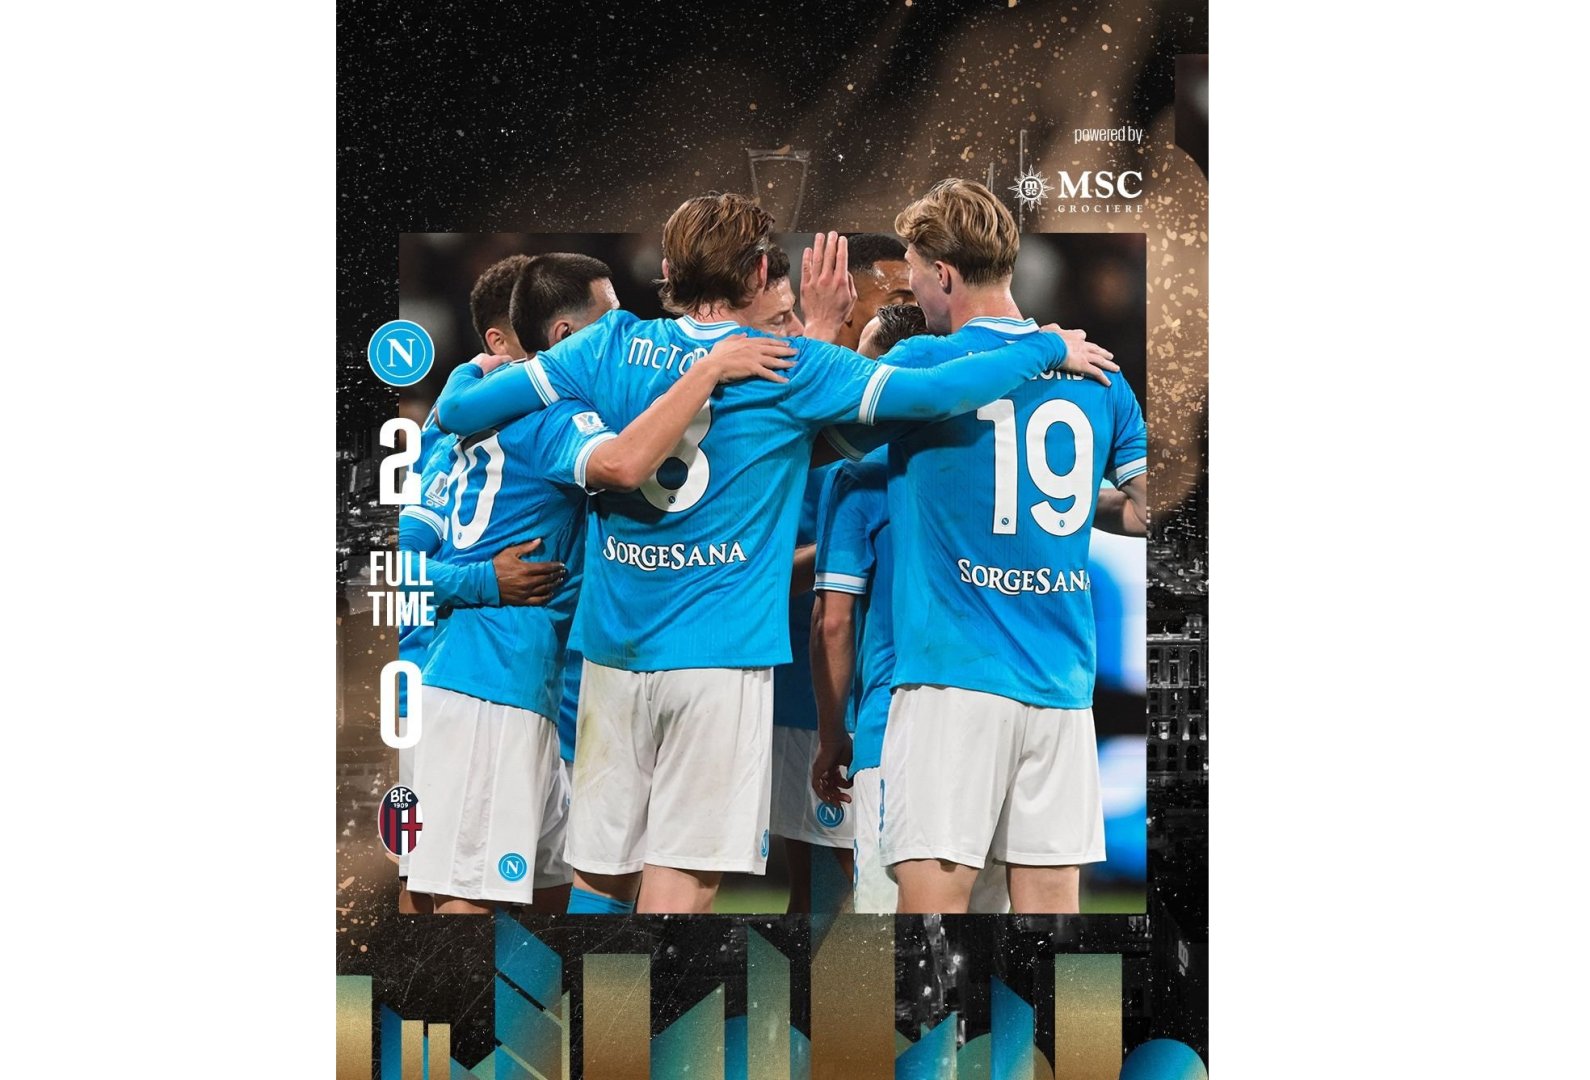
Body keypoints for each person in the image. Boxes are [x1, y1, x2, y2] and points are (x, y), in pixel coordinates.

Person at [433, 191, 1116, 914]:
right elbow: (937, 392)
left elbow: (459, 412)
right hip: (718, 661)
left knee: (601, 877)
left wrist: (470, 371)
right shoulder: (790, 368)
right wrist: (1045, 346)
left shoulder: (606, 344)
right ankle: (651, 995)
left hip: (611, 656)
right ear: (761, 272)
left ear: (670, 270)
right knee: (684, 878)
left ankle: (593, 991)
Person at [866, 179, 1149, 914]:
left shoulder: (922, 365)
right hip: (1061, 688)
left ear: (944, 274)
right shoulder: (1100, 374)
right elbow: (1150, 511)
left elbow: (831, 431)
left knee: (932, 923)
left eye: (913, 272)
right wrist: (1075, 503)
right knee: (1050, 921)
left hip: (952, 682)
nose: (912, 289)